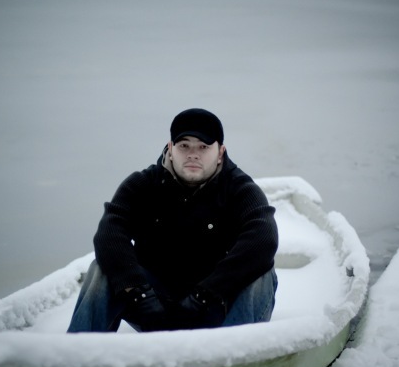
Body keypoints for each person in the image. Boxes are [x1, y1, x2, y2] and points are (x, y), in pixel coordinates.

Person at [67, 108, 278, 333]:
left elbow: (264, 239)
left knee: (261, 272)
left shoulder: (240, 189)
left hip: (217, 310)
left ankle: (235, 351)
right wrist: (138, 292)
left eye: (203, 147)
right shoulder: (142, 184)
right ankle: (80, 350)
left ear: (220, 152)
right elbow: (109, 233)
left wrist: (206, 294)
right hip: (153, 309)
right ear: (170, 149)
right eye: (184, 146)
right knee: (101, 268)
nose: (193, 154)